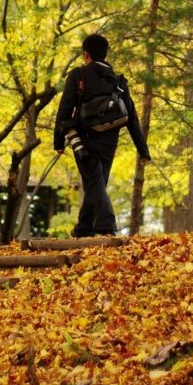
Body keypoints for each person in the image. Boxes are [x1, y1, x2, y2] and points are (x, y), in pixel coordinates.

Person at [54, 33, 150, 237]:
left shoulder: (78, 75)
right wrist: (143, 150)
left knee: (94, 182)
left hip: (83, 139)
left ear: (85, 54)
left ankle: (107, 226)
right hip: (109, 140)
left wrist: (59, 142)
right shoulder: (117, 80)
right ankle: (83, 229)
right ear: (106, 54)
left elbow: (64, 112)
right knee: (96, 182)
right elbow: (131, 117)